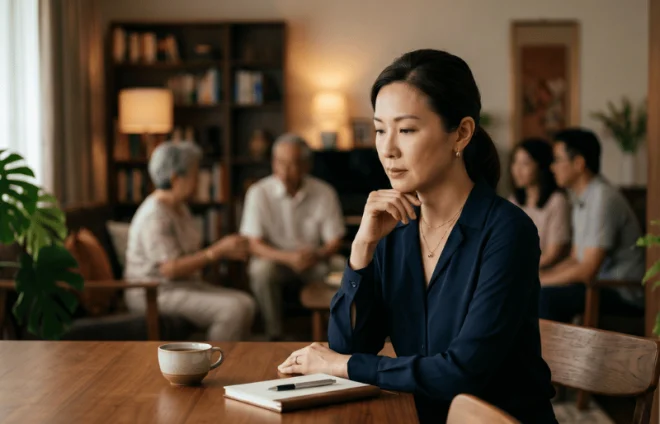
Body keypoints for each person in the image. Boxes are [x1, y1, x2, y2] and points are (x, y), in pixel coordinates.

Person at [277, 49, 557, 424]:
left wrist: (342, 365)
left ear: (461, 133)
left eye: (406, 130)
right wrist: (361, 248)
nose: (388, 149)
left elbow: (462, 373)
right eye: (379, 130)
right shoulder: (395, 227)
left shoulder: (507, 232)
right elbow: (350, 345)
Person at [124, 141, 256, 341]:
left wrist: (224, 251)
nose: (198, 182)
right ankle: (214, 364)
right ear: (176, 178)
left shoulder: (180, 208)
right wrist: (218, 251)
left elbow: (191, 255)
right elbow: (170, 269)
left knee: (245, 302)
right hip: (155, 292)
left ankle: (234, 359)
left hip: (183, 285)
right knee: (233, 309)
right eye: (195, 175)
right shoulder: (154, 215)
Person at [240, 133, 346, 340]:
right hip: (276, 260)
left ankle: (334, 332)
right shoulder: (258, 192)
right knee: (261, 270)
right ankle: (274, 332)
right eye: (280, 163)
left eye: (293, 164)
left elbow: (335, 240)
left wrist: (316, 254)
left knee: (341, 266)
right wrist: (288, 258)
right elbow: (253, 243)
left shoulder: (324, 192)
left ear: (307, 165)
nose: (285, 171)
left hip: (314, 259)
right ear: (273, 163)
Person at [539, 128, 645, 322]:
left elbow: (588, 269)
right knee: (533, 292)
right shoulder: (581, 198)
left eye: (557, 159)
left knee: (544, 298)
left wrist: (541, 282)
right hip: (598, 284)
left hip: (621, 290)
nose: (552, 167)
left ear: (578, 163)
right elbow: (575, 259)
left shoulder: (603, 198)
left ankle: (549, 353)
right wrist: (542, 276)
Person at [509, 138, 571, 268]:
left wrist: (518, 270)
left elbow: (553, 254)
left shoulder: (557, 201)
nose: (517, 169)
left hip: (548, 274)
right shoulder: (513, 201)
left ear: (541, 166)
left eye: (525, 163)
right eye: (515, 162)